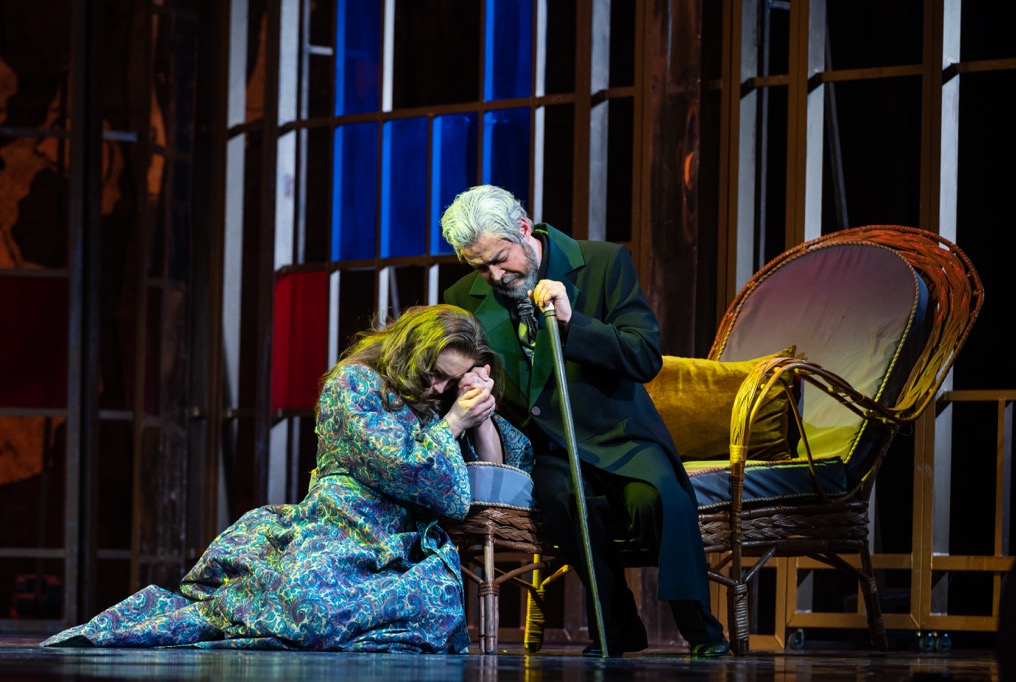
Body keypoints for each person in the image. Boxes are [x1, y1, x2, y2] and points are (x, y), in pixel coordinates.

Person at [40, 304, 533, 653]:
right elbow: (400, 465)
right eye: (436, 374)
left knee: (425, 610)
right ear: (412, 354)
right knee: (308, 602)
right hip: (344, 523)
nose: (439, 388)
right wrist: (453, 423)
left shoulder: (442, 404)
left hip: (405, 540)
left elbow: (492, 474)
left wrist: (479, 413)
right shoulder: (355, 384)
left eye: (452, 380)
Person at [440, 184, 729, 658]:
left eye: (501, 258)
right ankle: (615, 628)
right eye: (480, 267)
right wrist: (469, 382)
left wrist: (575, 323)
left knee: (658, 497)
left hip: (621, 435)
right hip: (546, 448)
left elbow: (644, 356)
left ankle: (701, 630)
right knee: (563, 502)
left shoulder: (602, 263)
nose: (495, 275)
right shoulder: (462, 297)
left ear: (523, 228)